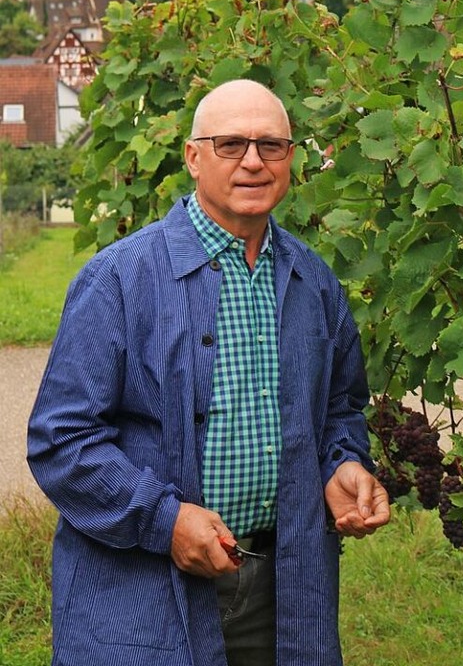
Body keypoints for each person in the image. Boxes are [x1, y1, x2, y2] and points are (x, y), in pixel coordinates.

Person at [27, 78, 390, 666]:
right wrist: (165, 521)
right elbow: (61, 442)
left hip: (283, 591)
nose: (253, 161)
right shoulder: (119, 280)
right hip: (141, 598)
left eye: (271, 146)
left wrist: (342, 464)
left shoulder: (313, 281)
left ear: (290, 160)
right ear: (194, 158)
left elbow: (340, 409)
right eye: (231, 145)